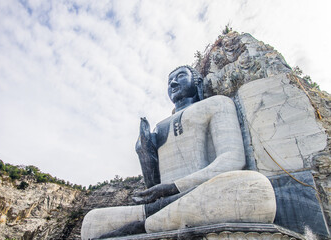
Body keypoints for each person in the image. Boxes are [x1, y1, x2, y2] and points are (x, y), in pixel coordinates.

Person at [81, 66, 276, 240]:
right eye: (169, 81)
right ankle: (158, 222)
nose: (173, 82)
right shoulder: (160, 126)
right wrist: (145, 152)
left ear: (197, 82)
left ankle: (145, 226)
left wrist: (175, 187)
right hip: (165, 205)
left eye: (180, 76)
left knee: (255, 188)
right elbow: (154, 186)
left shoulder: (217, 103)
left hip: (203, 192)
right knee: (92, 221)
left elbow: (233, 159)